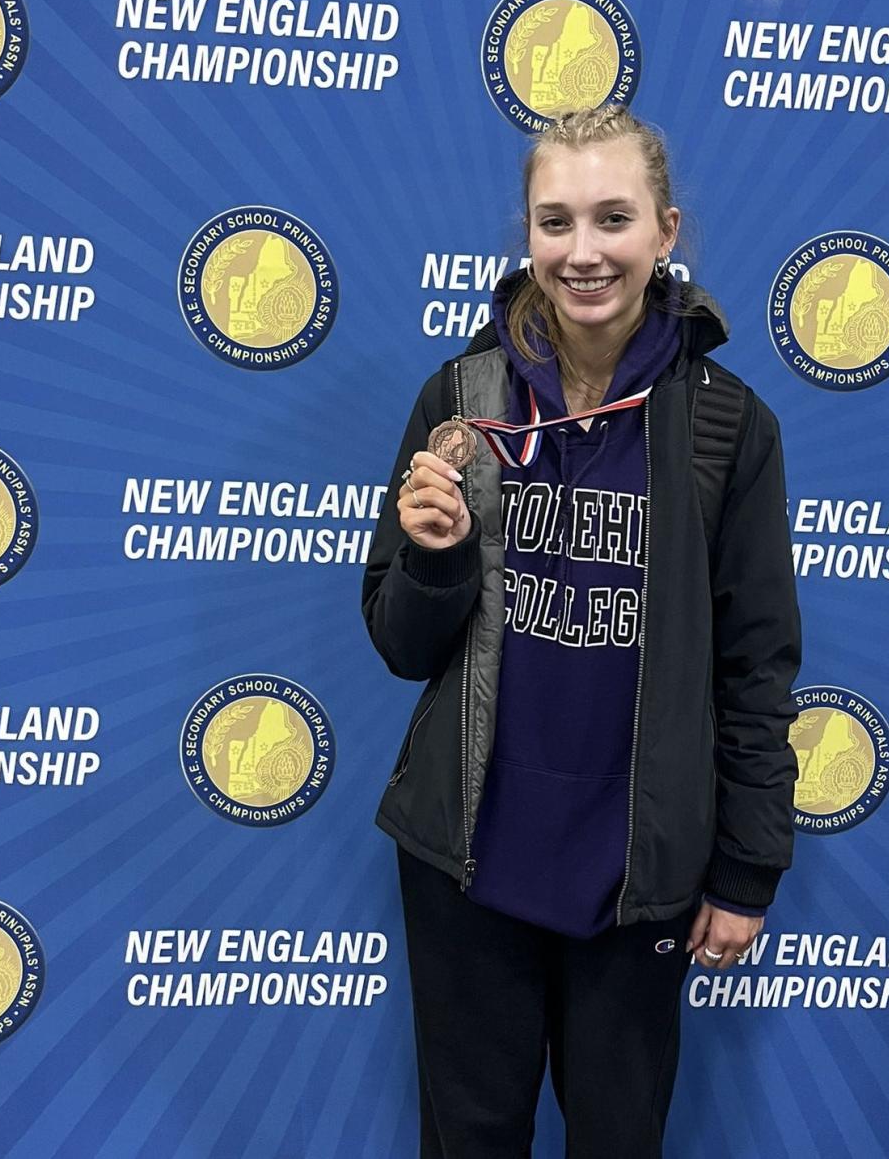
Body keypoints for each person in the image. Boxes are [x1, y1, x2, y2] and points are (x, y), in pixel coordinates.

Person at [361, 104, 801, 1158]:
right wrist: (433, 557)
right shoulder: (461, 401)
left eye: (613, 218)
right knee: (469, 1139)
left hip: (635, 878)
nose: (584, 250)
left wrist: (747, 872)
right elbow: (399, 643)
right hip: (467, 863)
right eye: (555, 222)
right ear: (527, 236)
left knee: (618, 1140)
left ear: (666, 231)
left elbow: (757, 665)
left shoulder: (724, 426)